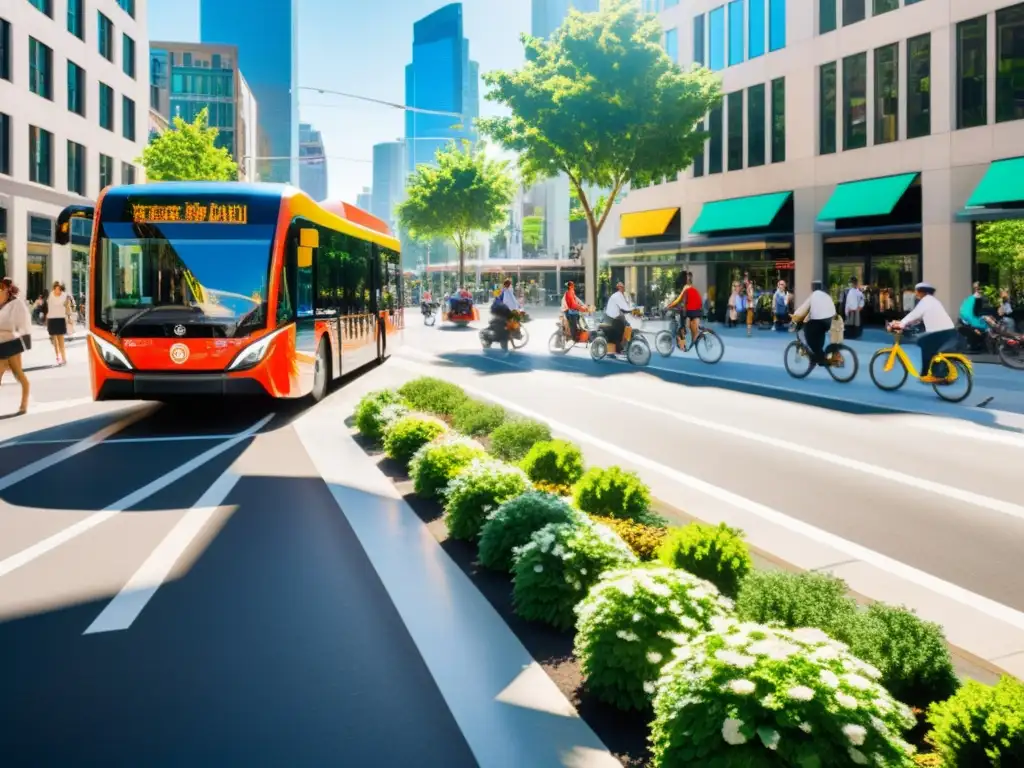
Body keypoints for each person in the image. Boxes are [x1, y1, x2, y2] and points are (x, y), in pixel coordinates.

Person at [891, 282, 956, 382]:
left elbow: (914, 314)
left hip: (940, 332)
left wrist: (901, 324)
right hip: (947, 331)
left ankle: (927, 374)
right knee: (932, 348)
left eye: (917, 291)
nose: (916, 293)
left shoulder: (926, 301)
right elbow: (920, 317)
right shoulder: (933, 301)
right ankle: (938, 373)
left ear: (922, 292)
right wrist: (906, 323)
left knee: (924, 344)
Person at [0, 277, 31, 415]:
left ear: (7, 289)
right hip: (1, 343)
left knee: (18, 375)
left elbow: (22, 324)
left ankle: (24, 404)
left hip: (10, 344)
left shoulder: (16, 304)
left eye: (1, 288)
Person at [791, 281, 837, 365]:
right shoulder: (826, 295)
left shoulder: (814, 295)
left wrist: (794, 316)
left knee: (809, 333)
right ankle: (819, 354)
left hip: (819, 320)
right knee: (819, 333)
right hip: (830, 320)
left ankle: (821, 358)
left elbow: (803, 308)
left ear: (813, 288)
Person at [667, 272, 702, 349]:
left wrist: (669, 306)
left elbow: (679, 300)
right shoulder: (693, 288)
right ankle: (694, 335)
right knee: (690, 323)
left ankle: (683, 346)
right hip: (698, 310)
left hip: (691, 310)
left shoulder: (686, 287)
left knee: (681, 326)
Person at [603, 281, 633, 354]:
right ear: (618, 288)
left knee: (626, 325)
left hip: (616, 318)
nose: (622, 288)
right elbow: (625, 308)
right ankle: (619, 349)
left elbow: (627, 306)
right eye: (620, 287)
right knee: (619, 331)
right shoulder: (617, 296)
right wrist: (633, 311)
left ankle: (622, 347)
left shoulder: (622, 295)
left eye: (622, 286)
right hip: (611, 319)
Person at [46, 281, 69, 366]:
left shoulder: (64, 296)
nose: (57, 290)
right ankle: (58, 358)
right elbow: (49, 307)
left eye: (59, 288)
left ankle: (64, 358)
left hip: (60, 319)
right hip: (52, 319)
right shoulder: (51, 295)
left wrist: (69, 318)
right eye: (56, 288)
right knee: (55, 340)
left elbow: (67, 306)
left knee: (61, 340)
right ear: (54, 289)